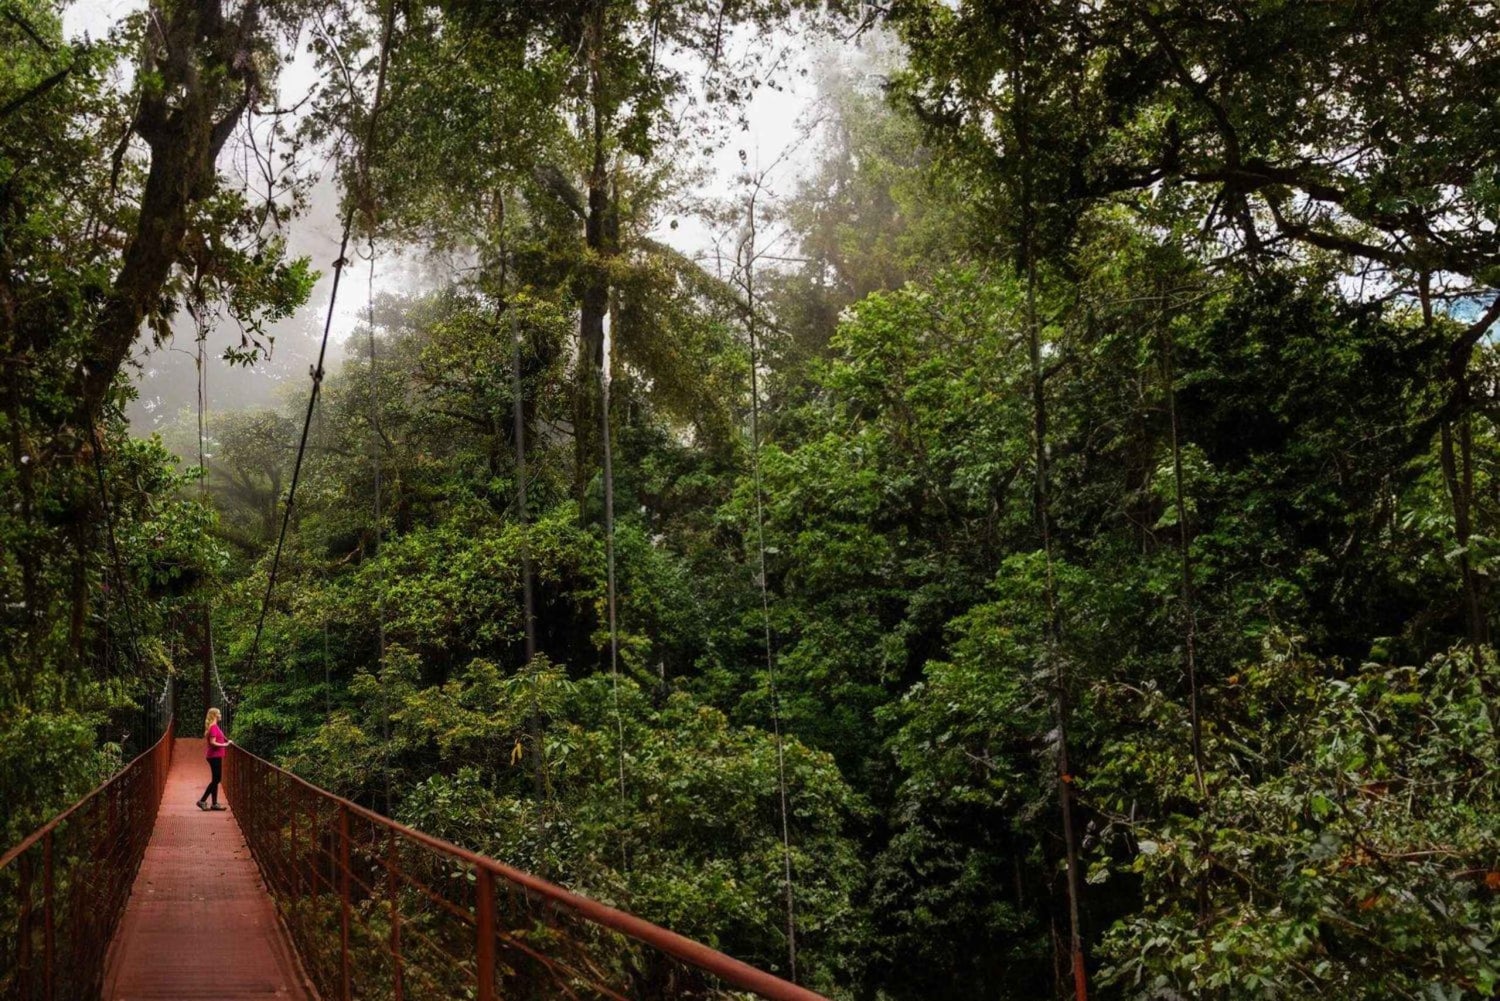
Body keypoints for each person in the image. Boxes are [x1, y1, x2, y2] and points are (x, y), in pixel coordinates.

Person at [198, 707, 231, 811]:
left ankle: (214, 803)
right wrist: (225, 744)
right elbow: (212, 742)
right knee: (217, 779)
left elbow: (219, 737)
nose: (221, 715)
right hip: (214, 755)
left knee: (215, 779)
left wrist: (226, 740)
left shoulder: (215, 727)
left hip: (216, 755)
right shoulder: (213, 727)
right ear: (215, 715)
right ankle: (202, 801)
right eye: (219, 713)